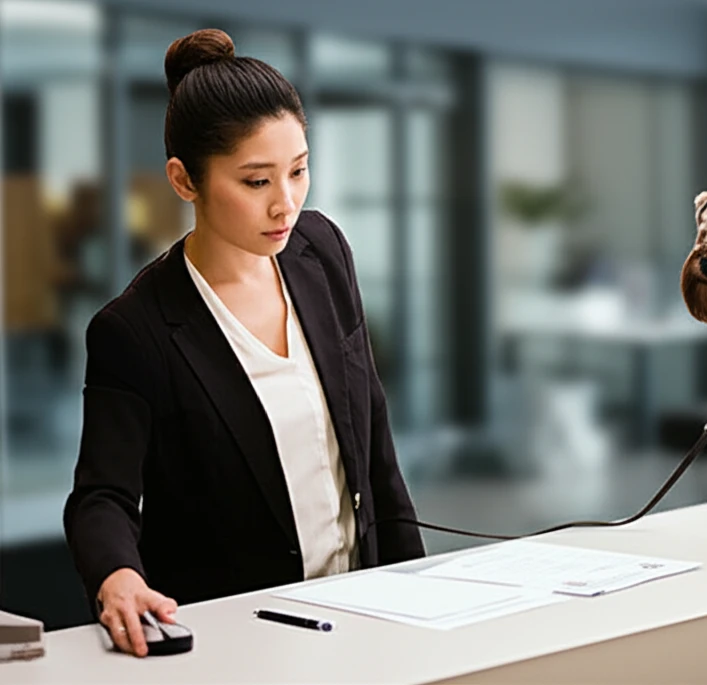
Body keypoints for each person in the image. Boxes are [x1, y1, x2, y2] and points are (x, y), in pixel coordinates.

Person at [63, 28, 425, 657]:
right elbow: (102, 496)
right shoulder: (137, 329)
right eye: (257, 182)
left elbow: (373, 440)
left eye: (299, 170)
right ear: (184, 181)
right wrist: (117, 576)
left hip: (364, 613)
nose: (286, 204)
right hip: (240, 640)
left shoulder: (323, 252)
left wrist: (420, 595)